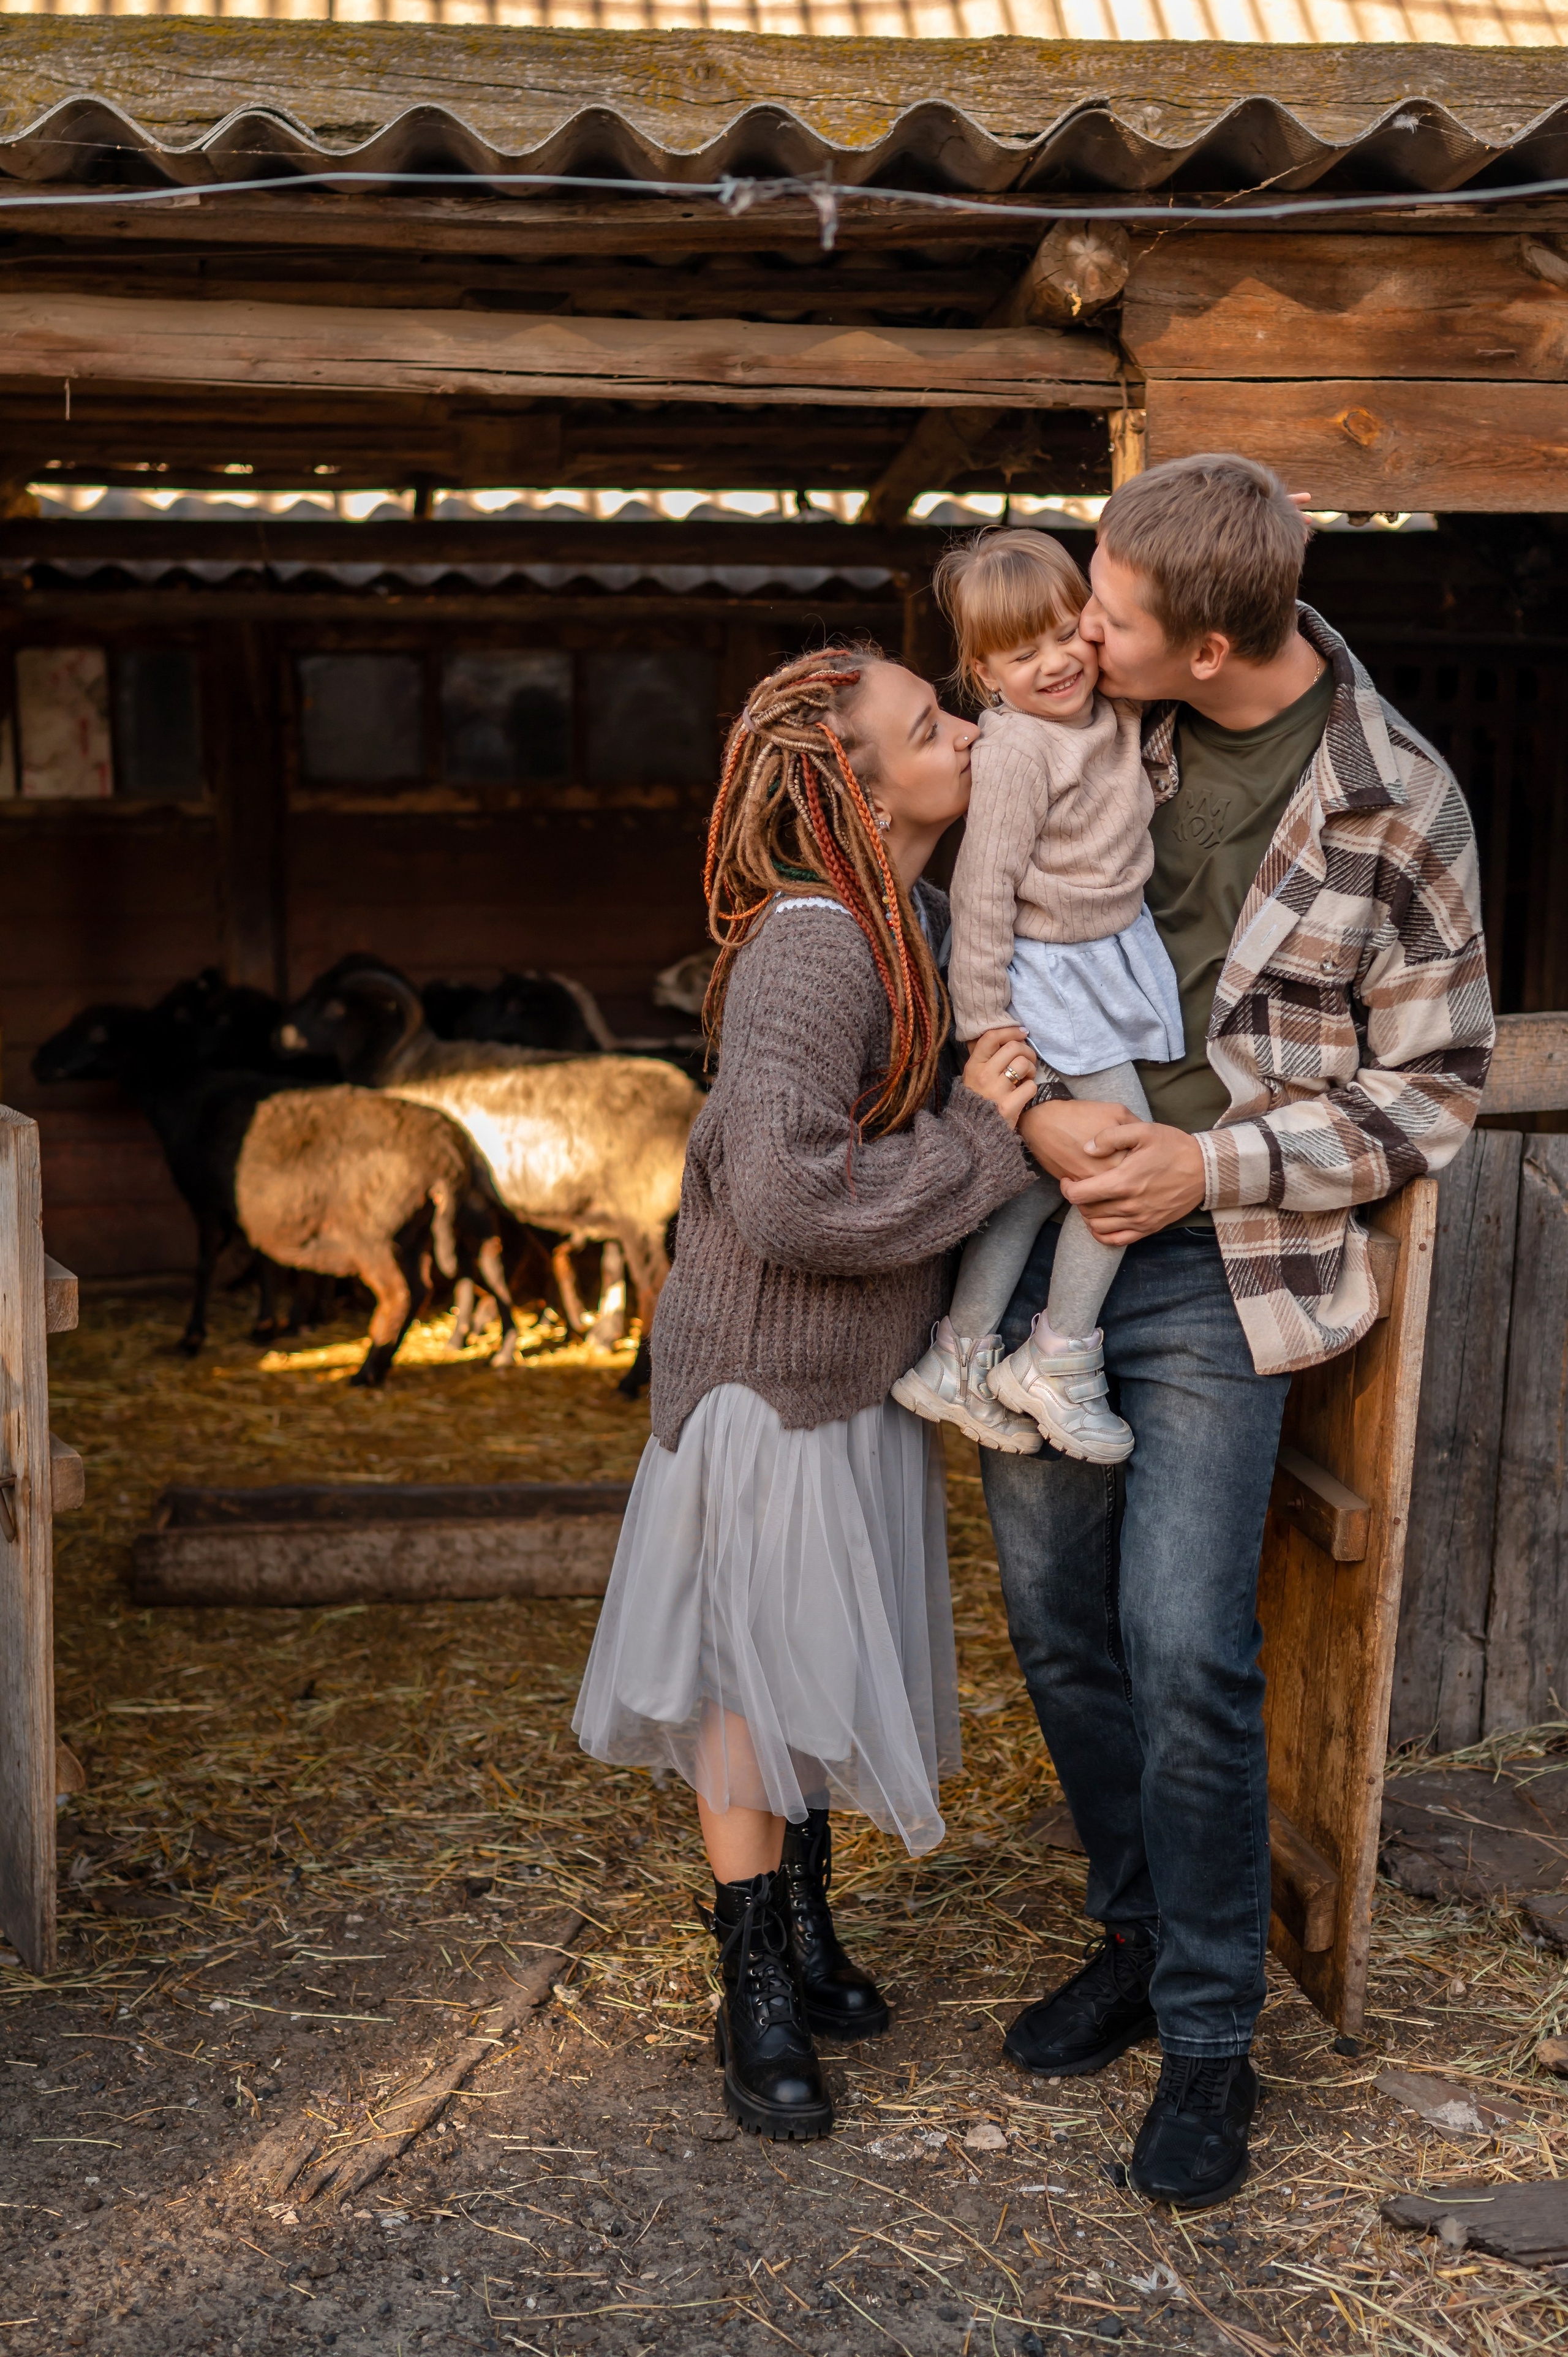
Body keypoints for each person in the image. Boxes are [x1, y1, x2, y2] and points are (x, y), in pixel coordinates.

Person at [984, 456, 1493, 2210]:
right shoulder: (1088, 724)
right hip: (1044, 1220)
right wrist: (1035, 1112)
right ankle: (1137, 1932)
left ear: (1206, 646)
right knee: (1057, 1623)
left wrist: (1203, 1163)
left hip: (1225, 1260)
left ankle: (1212, 2035)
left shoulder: (1395, 801)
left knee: (1184, 1640)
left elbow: (1434, 1086)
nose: (1078, 633)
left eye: (1110, 617)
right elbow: (972, 920)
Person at [573, 648, 1036, 2142]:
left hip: (850, 1373)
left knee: (808, 1656)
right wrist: (982, 1142)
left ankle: (808, 1922)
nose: (967, 734)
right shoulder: (814, 944)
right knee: (742, 1679)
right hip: (767, 1378)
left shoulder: (911, 920)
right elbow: (779, 1191)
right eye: (932, 726)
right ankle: (753, 1982)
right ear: (860, 788)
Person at [894, 527, 1183, 1467]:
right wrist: (986, 1026)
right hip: (1049, 980)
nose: (1056, 663)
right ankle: (1058, 1357)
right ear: (983, 673)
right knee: (1119, 1158)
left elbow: (1179, 622)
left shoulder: (1113, 705)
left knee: (1034, 1182)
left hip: (1106, 961)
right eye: (1023, 655)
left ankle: (958, 1355)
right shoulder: (1017, 752)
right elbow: (982, 893)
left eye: (1067, 634)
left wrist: (1249, 557)